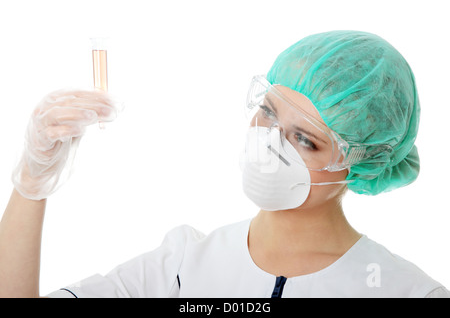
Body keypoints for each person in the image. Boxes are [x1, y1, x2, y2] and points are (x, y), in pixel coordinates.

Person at [0, 30, 448, 298]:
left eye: (305, 139)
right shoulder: (181, 266)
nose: (269, 142)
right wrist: (31, 183)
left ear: (362, 162)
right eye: (269, 112)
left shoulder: (402, 290)